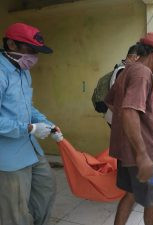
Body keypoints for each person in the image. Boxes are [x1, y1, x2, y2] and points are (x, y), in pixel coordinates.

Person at [105, 32, 153, 225]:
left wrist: (126, 127)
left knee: (131, 194)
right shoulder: (143, 73)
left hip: (127, 153)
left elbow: (111, 102)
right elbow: (128, 111)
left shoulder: (127, 71)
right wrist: (142, 155)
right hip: (142, 156)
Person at [0, 23, 63, 225]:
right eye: (30, 50)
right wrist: (29, 128)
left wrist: (47, 124)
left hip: (29, 148)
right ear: (11, 44)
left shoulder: (23, 71)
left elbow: (27, 107)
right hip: (8, 155)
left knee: (46, 187)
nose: (34, 57)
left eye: (37, 52)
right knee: (15, 209)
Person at [104, 44, 139, 126]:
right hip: (117, 117)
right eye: (140, 59)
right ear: (134, 57)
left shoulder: (122, 68)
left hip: (115, 116)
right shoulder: (123, 71)